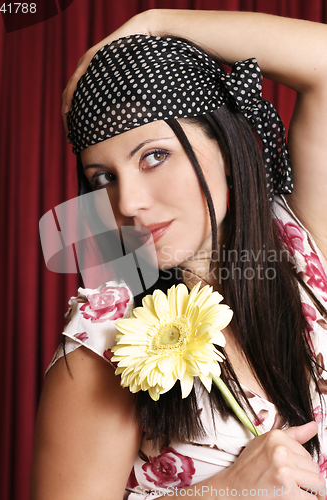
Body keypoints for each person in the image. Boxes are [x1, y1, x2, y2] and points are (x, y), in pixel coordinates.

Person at [30, 9, 327, 500]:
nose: (127, 203)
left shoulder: (298, 245)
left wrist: (154, 21)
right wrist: (227, 490)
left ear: (228, 152)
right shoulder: (108, 340)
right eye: (104, 177)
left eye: (154, 156)